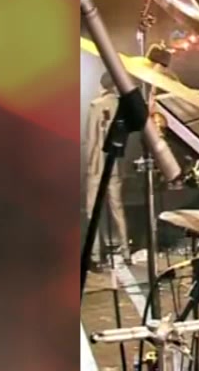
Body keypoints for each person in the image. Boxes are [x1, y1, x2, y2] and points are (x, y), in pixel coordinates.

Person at [84, 72, 131, 270]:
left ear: (101, 85)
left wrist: (89, 164)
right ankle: (126, 251)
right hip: (115, 164)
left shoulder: (96, 105)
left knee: (93, 211)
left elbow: (91, 139)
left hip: (98, 165)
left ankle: (96, 254)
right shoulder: (122, 106)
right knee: (118, 209)